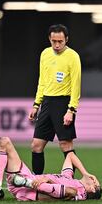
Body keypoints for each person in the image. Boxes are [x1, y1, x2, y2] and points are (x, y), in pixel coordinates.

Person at [28, 24, 81, 175]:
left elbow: (76, 85)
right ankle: (37, 183)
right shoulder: (45, 54)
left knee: (65, 145)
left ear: (67, 40)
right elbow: (42, 81)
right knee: (36, 145)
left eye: (60, 41)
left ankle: (71, 182)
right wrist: (36, 104)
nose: (57, 45)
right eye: (54, 41)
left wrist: (71, 110)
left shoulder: (73, 56)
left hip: (63, 103)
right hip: (47, 103)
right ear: (49, 39)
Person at [0, 137, 102, 201]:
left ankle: (26, 182)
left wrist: (47, 180)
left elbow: (69, 194)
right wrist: (85, 173)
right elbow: (70, 155)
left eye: (95, 182)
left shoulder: (81, 193)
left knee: (70, 191)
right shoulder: (69, 178)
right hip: (27, 177)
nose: (94, 178)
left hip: (31, 188)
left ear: (92, 188)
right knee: (4, 142)